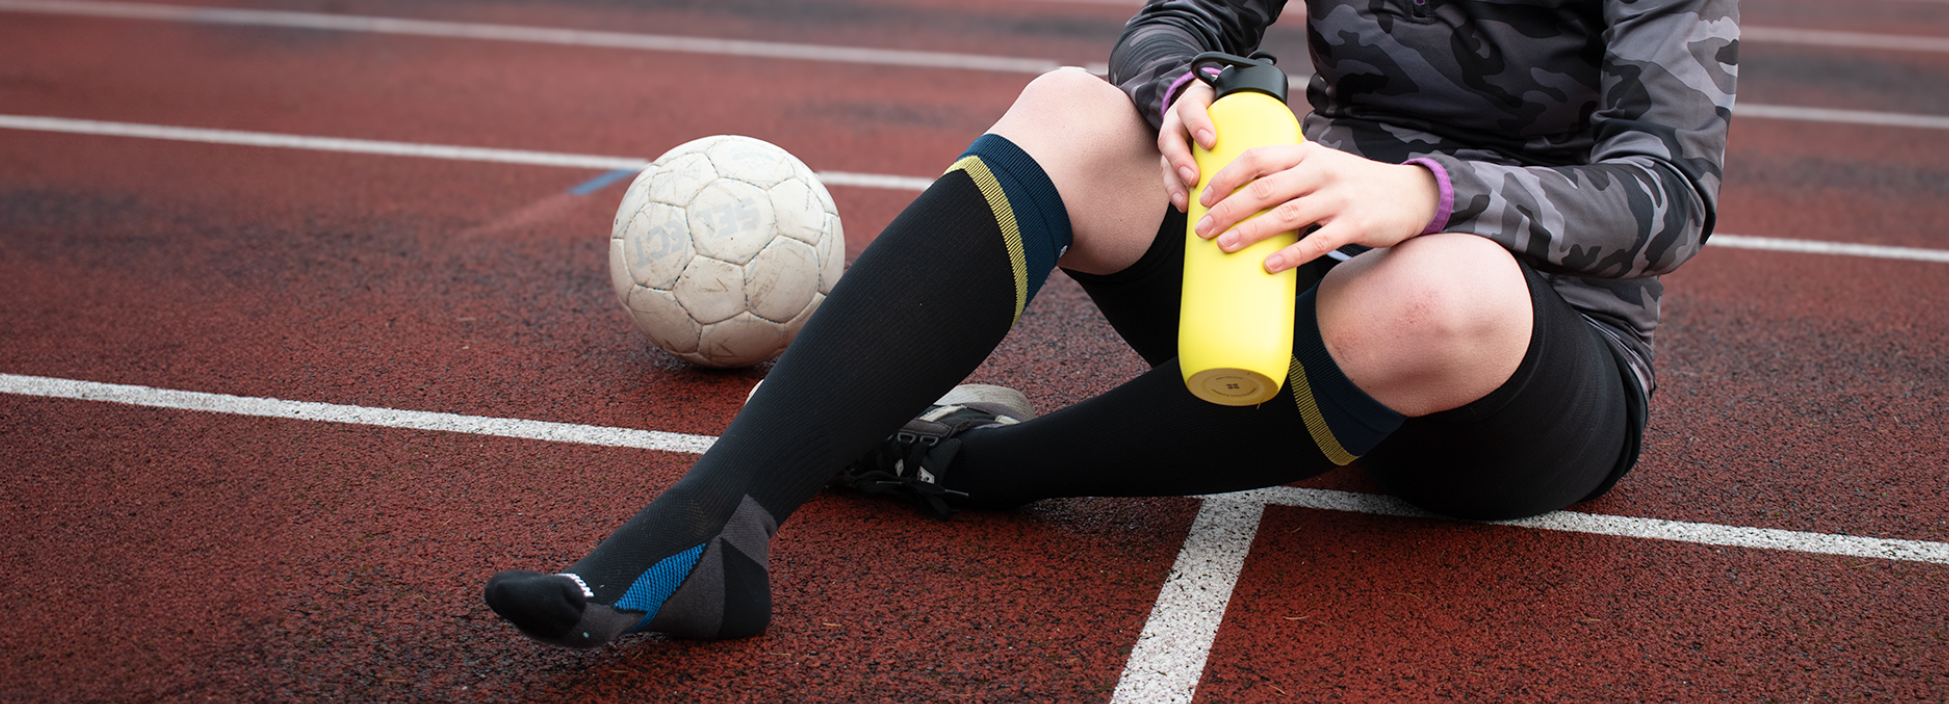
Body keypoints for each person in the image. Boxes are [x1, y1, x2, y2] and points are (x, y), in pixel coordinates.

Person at [484, 0, 1739, 648]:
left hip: (1521, 364)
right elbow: (1176, 20)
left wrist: (1422, 193)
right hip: (1297, 275)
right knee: (1075, 111)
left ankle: (967, 465)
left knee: (1445, 283)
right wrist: (1175, 92)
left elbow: (1670, 194)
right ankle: (713, 528)